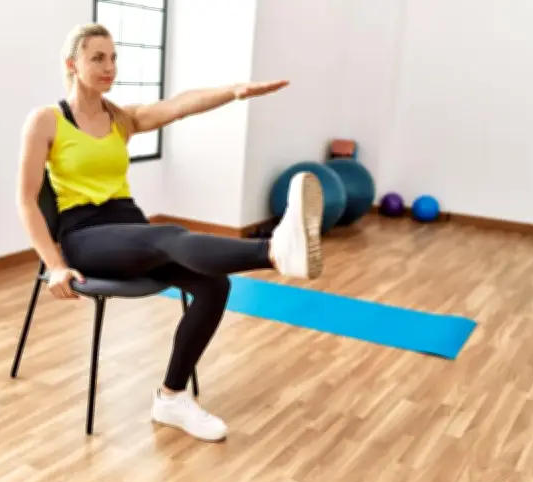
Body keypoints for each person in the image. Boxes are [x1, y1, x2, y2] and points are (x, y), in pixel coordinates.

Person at [16, 23, 324, 442]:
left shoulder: (120, 118)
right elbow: (27, 200)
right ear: (72, 65)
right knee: (168, 236)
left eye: (113, 58)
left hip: (131, 231)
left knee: (214, 285)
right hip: (86, 237)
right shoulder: (46, 121)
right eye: (98, 58)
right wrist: (54, 265)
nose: (110, 67)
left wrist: (232, 91)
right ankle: (273, 252)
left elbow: (178, 106)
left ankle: (171, 397)